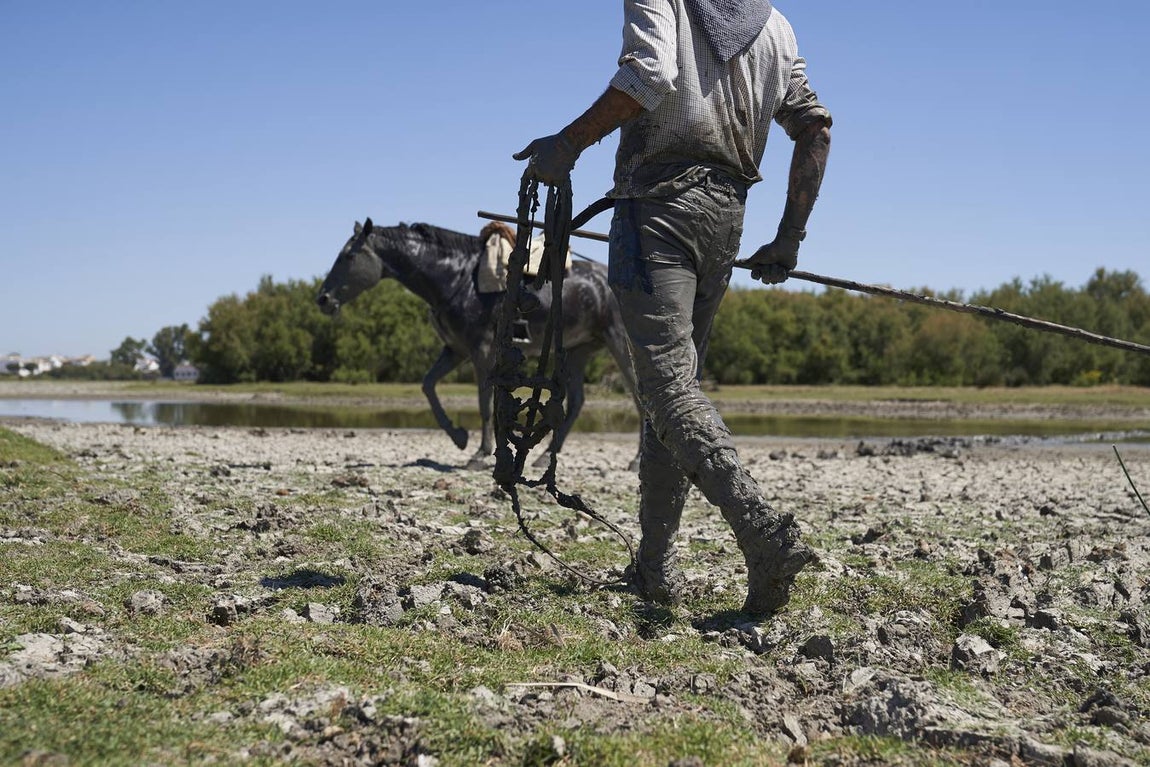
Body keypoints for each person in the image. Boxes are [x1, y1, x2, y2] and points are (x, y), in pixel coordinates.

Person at [514, 0, 832, 618]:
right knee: (673, 389)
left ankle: (763, 534)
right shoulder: (776, 25)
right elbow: (814, 128)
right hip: (726, 218)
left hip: (656, 206)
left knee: (665, 389)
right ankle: (653, 568)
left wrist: (568, 143)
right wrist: (788, 238)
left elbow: (649, 76)